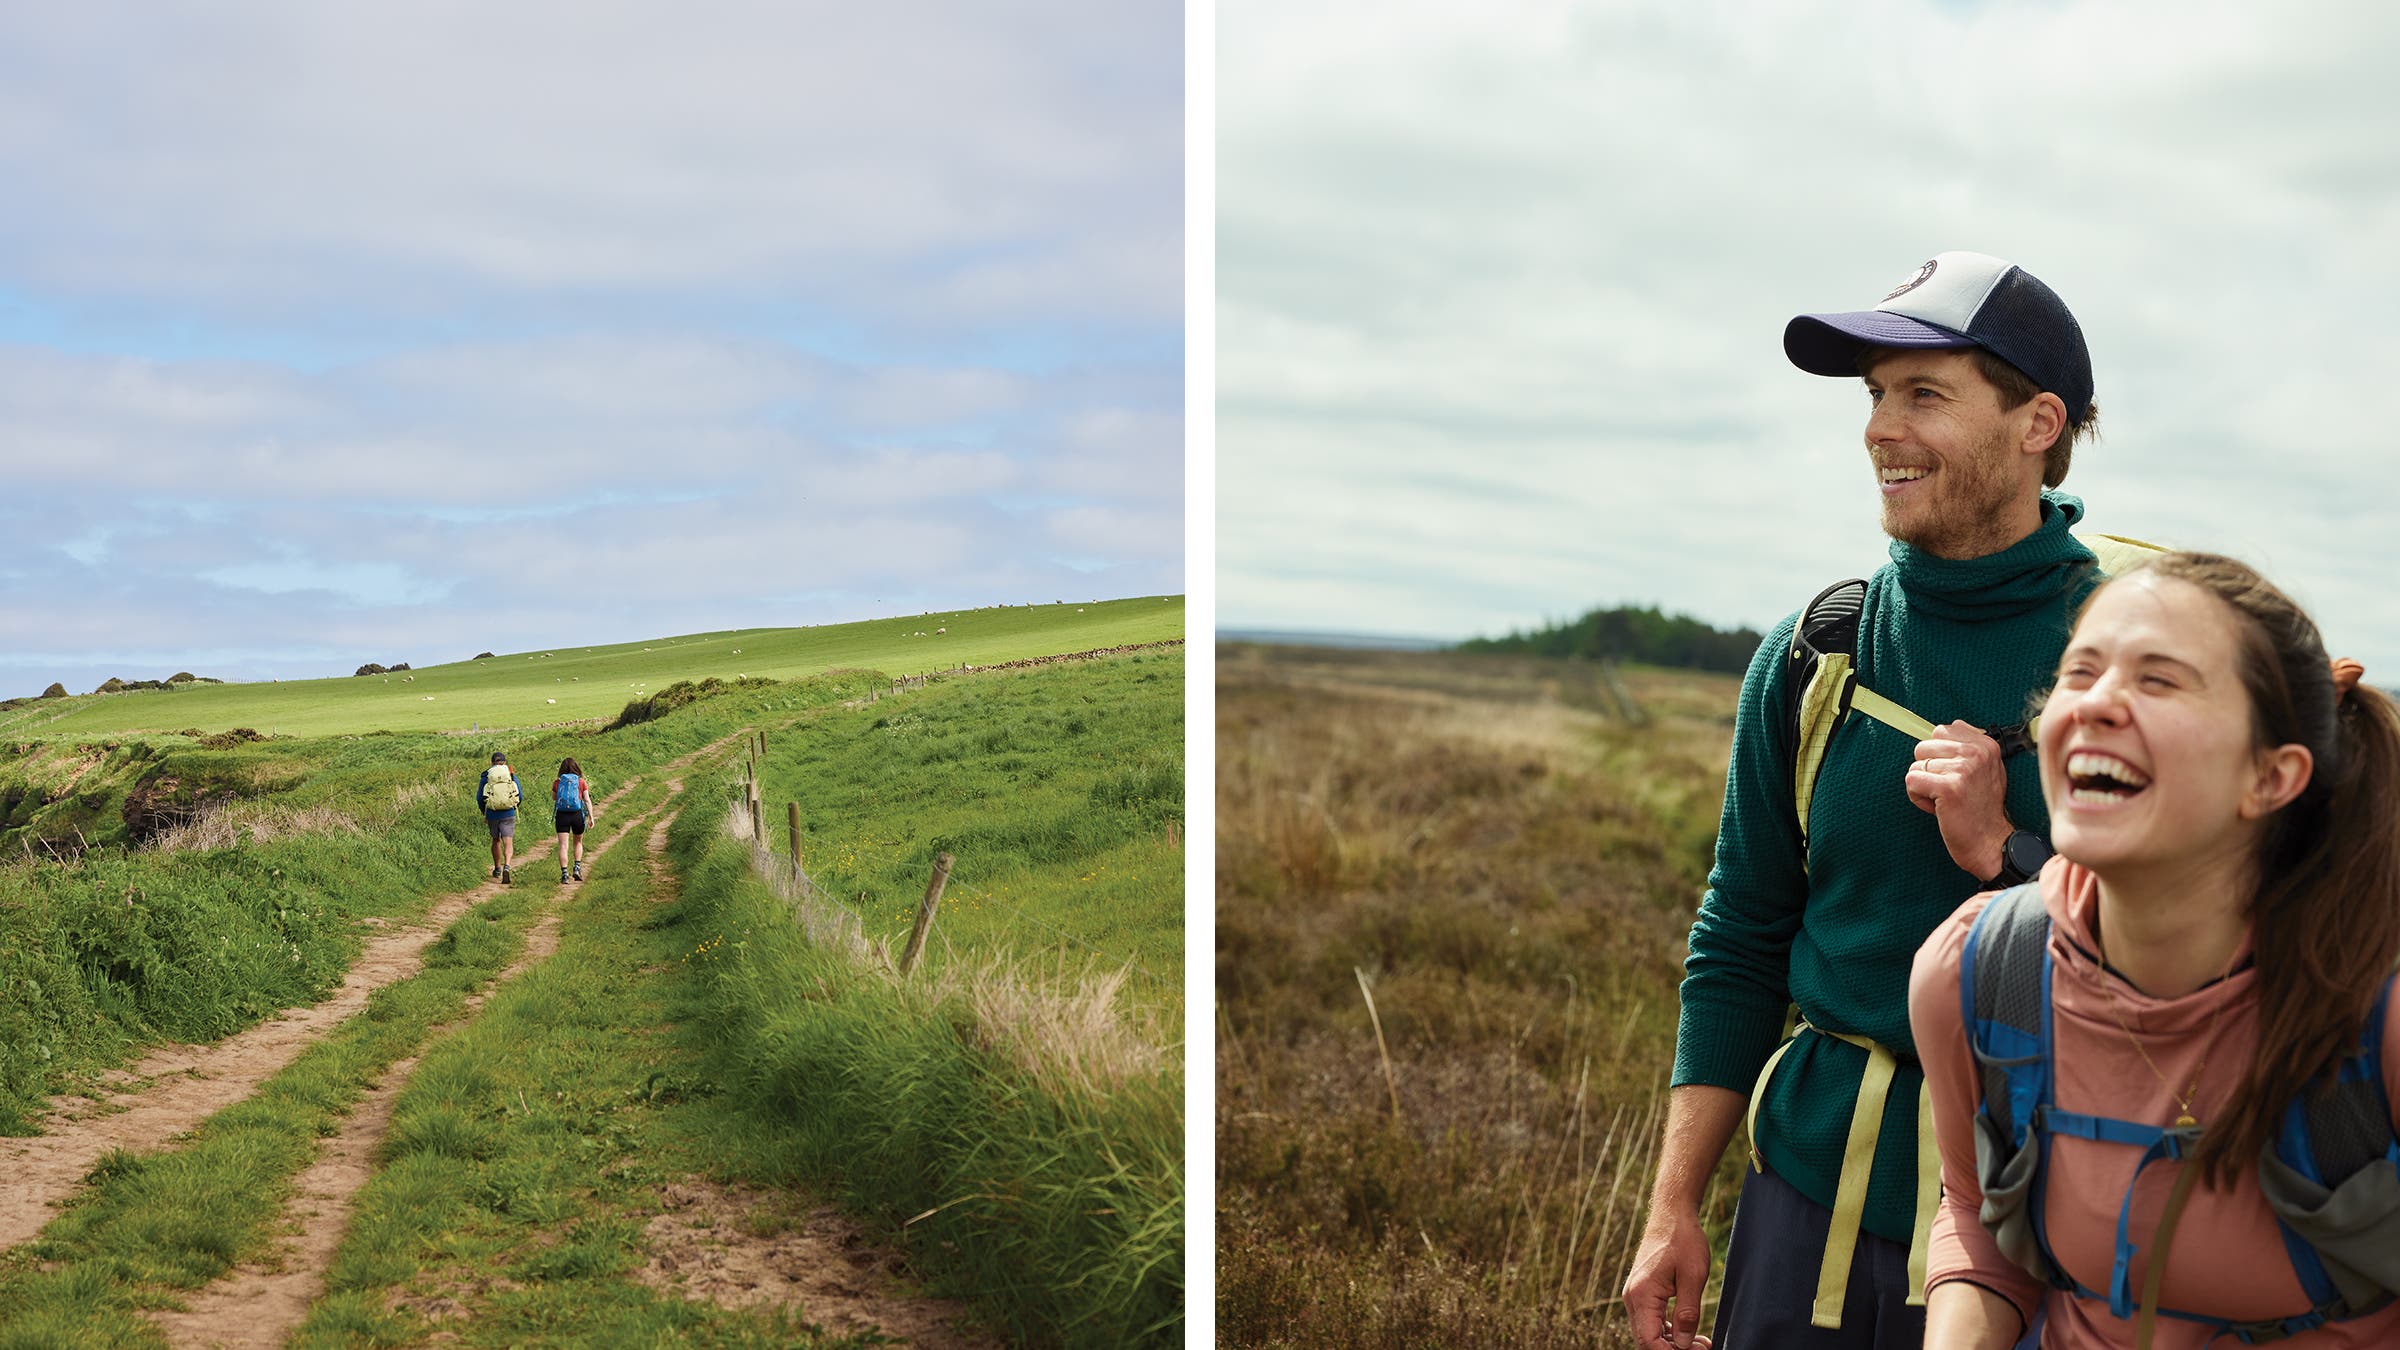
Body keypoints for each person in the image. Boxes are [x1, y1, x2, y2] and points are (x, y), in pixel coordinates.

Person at [1625, 251, 2122, 1350]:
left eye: (1924, 395)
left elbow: (2213, 947)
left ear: (2039, 423)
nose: (1879, 429)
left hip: (2051, 1222)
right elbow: (1741, 936)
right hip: (1809, 1209)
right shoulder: (1816, 656)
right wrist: (1673, 1210)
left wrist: (2009, 850)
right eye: (1876, 395)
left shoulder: (2134, 657)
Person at [1910, 554, 2400, 1348]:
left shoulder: (2377, 1009)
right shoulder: (1978, 970)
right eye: (2080, 672)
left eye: (2159, 681)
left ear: (2271, 778)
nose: (2097, 703)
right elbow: (1974, 1217)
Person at [477, 751, 525, 884]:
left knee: (496, 840)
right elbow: (519, 795)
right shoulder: (509, 774)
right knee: (508, 842)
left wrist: (484, 812)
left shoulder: (487, 775)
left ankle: (497, 868)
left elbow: (479, 797)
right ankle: (507, 866)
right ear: (504, 762)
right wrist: (514, 806)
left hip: (492, 813)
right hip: (508, 813)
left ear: (491, 762)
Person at [552, 756, 596, 883]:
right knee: (578, 842)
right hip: (577, 815)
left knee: (563, 845)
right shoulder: (581, 782)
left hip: (562, 815)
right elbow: (587, 800)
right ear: (576, 768)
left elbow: (554, 798)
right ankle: (577, 868)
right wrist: (591, 817)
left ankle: (564, 874)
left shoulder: (557, 782)